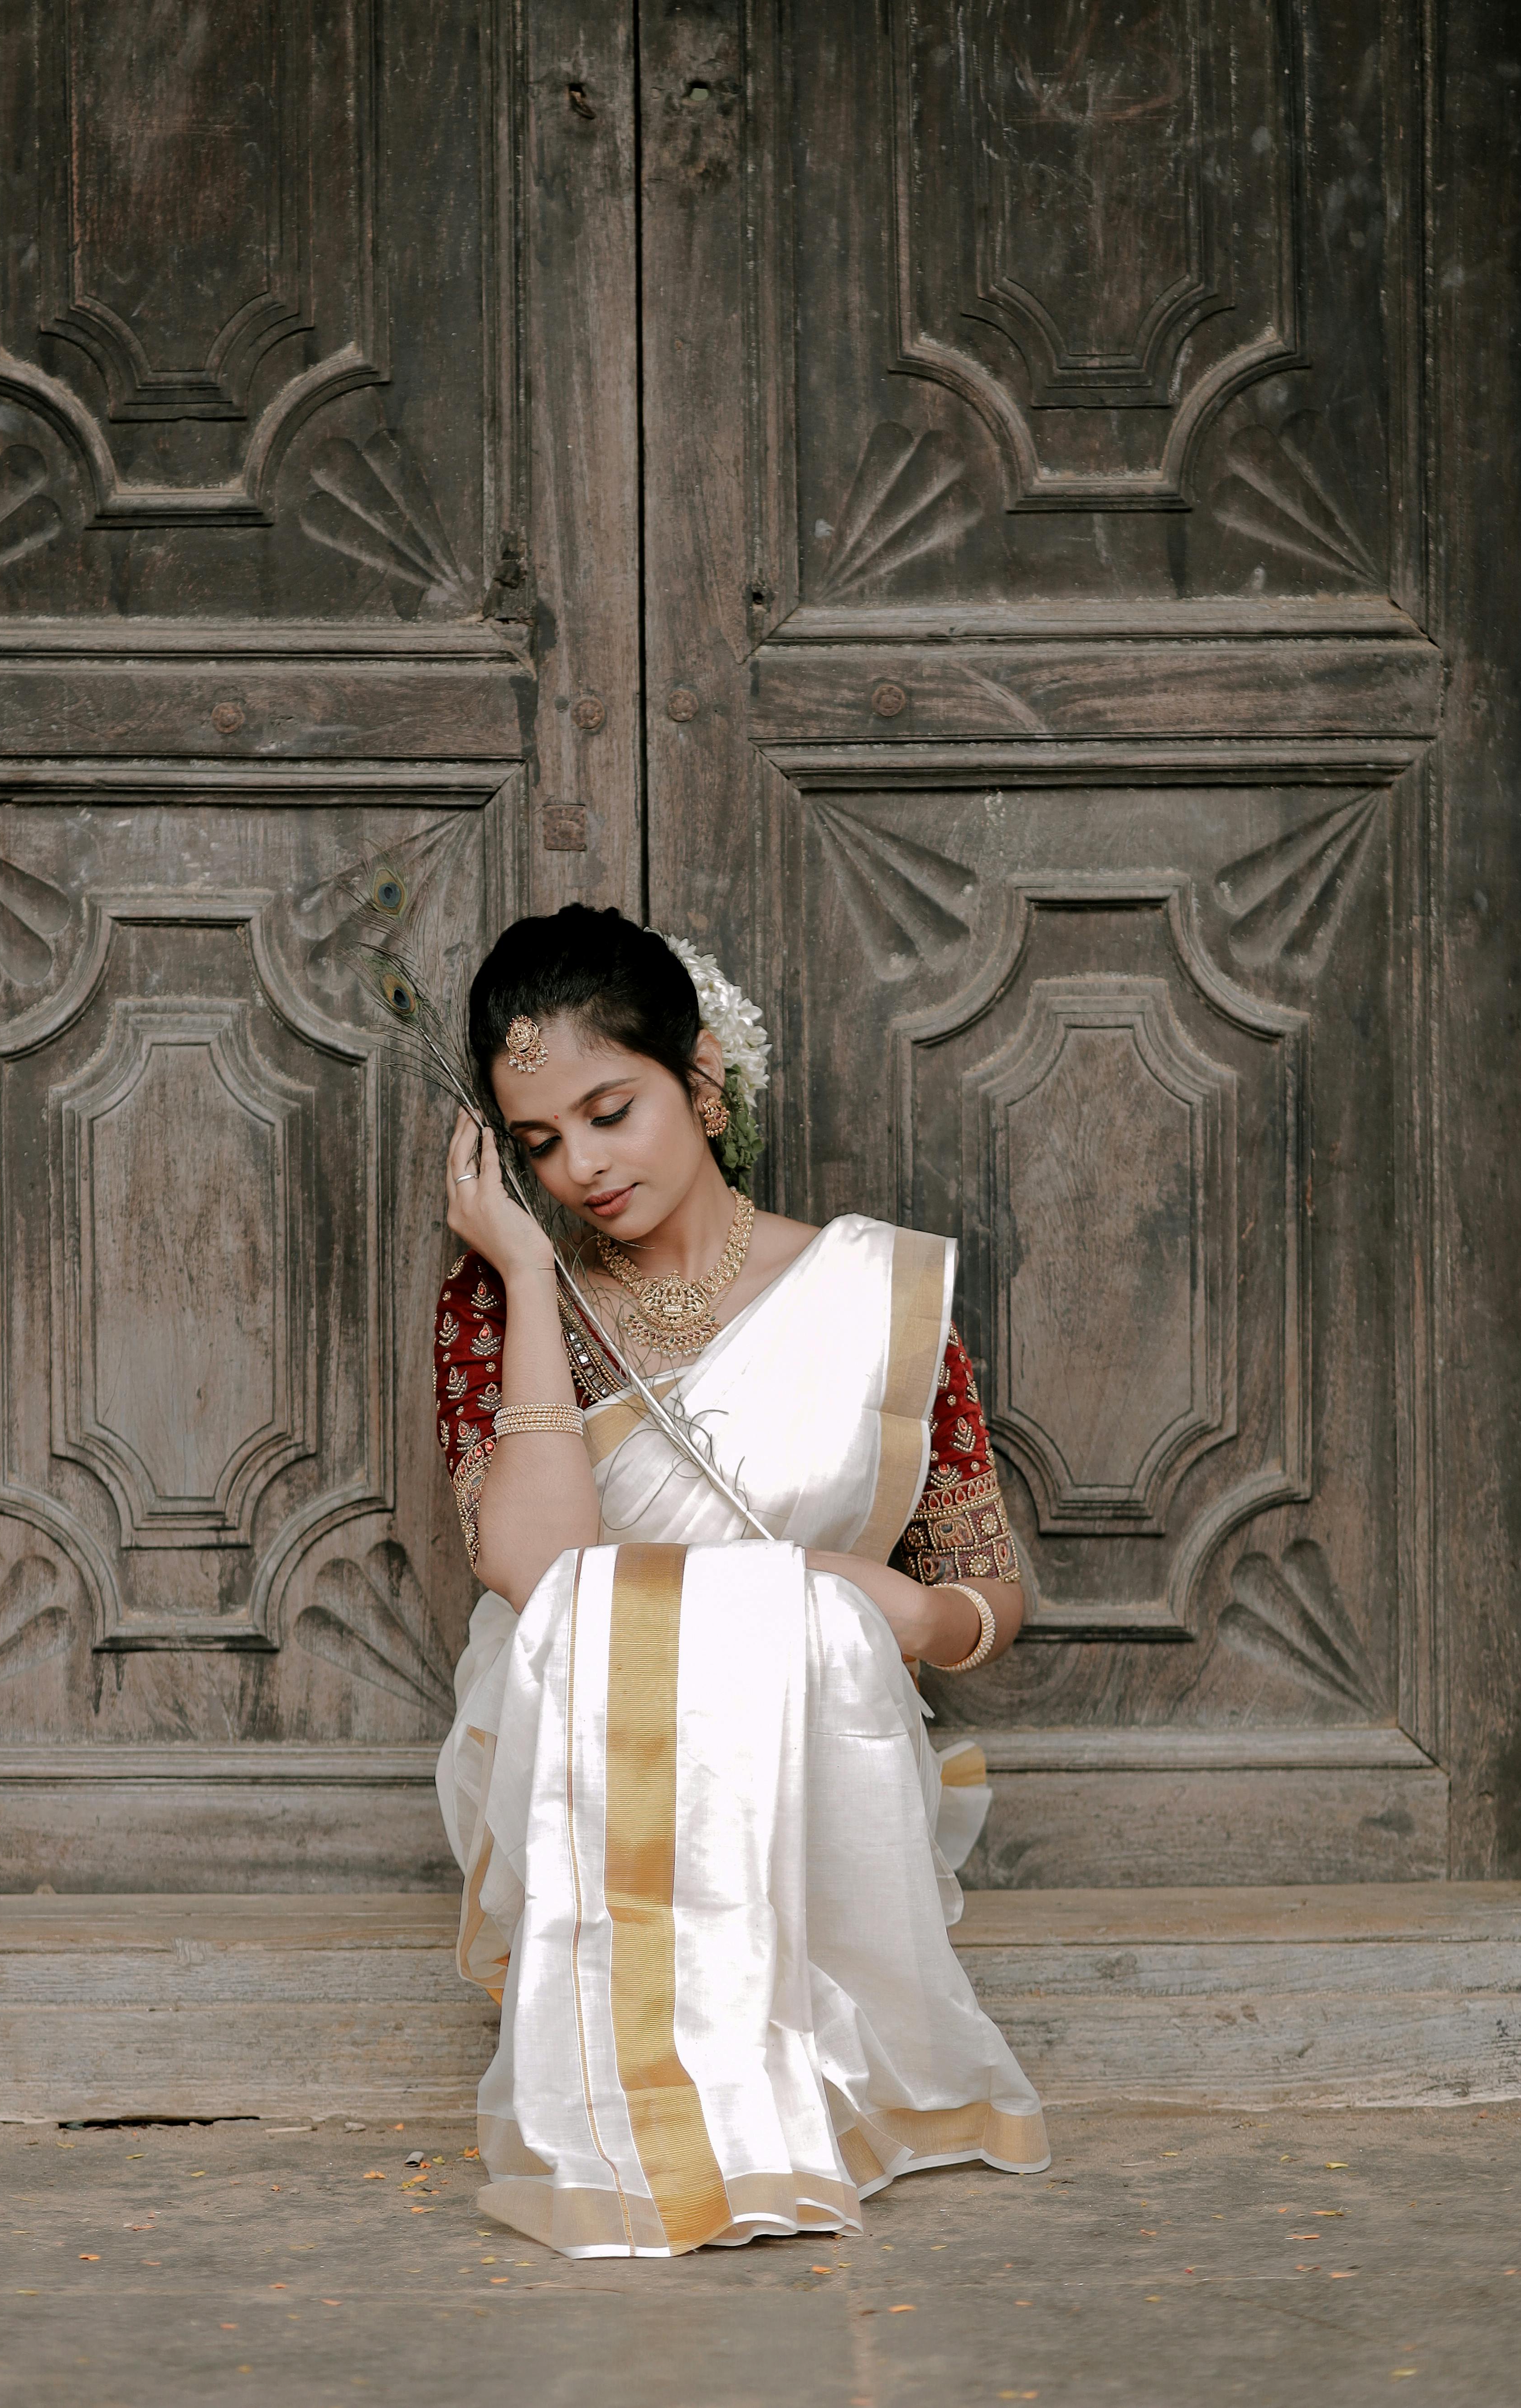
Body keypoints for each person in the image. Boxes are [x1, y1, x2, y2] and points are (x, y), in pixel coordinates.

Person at [432, 905, 1049, 2260]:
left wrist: (891, 1605)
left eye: (611, 1110)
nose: (582, 1168)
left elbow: (984, 1593)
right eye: (537, 1144)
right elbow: (538, 1575)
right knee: (597, 1649)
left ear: (700, 1084)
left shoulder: (873, 1295)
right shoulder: (508, 1299)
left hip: (809, 1734)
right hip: (577, 1743)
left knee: (806, 1649)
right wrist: (529, 1276)